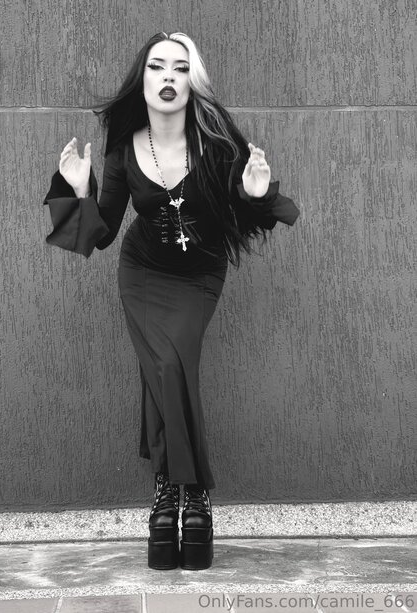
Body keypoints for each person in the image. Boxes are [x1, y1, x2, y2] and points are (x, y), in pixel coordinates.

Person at [43, 31, 299, 571]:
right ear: (142, 80)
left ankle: (176, 489)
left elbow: (243, 215)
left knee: (170, 362)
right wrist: (81, 189)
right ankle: (184, 497)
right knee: (164, 368)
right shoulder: (124, 146)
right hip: (142, 273)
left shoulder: (217, 143)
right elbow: (103, 232)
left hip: (198, 276)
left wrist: (256, 195)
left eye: (180, 68)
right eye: (157, 66)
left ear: (191, 82)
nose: (167, 77)